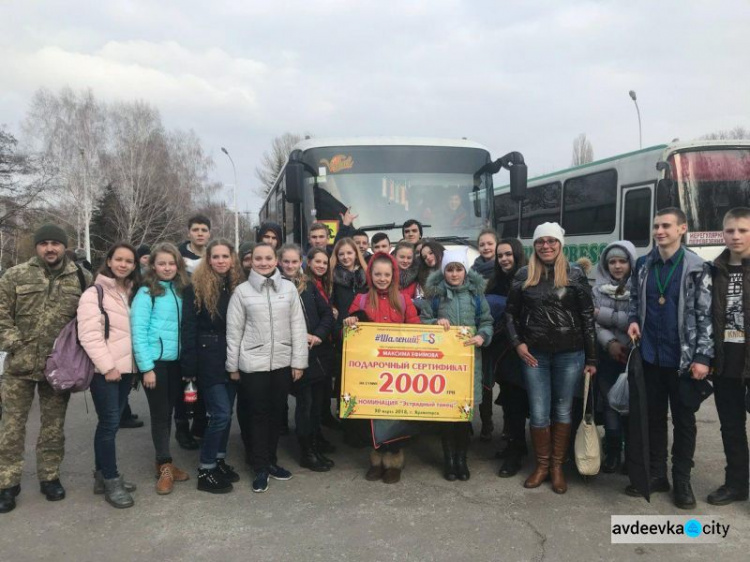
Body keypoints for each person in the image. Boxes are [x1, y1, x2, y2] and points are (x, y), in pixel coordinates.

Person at [0, 224, 91, 514]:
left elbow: (89, 320)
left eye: (55, 243)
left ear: (65, 246)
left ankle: (49, 477)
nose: (50, 248)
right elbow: (1, 315)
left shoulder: (81, 278)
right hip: (19, 367)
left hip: (58, 369)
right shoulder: (15, 275)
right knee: (11, 429)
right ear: (36, 246)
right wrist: (16, 343)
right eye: (44, 243)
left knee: (53, 428)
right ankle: (7, 483)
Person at [626, 207, 713, 509]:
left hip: (683, 361)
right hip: (650, 356)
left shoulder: (697, 267)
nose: (660, 231)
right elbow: (636, 301)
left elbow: (705, 316)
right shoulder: (643, 265)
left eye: (666, 226)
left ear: (681, 229)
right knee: (654, 418)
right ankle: (657, 475)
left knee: (684, 421)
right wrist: (634, 319)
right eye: (656, 226)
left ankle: (682, 481)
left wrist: (702, 356)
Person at [505, 222, 597, 494]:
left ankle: (557, 466)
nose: (546, 246)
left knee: (562, 409)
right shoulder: (523, 275)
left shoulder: (575, 274)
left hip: (570, 354)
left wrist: (592, 359)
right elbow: (510, 314)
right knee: (539, 411)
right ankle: (542, 465)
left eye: (552, 241)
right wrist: (517, 344)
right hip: (534, 354)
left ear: (560, 244)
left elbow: (587, 318)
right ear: (534, 245)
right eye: (540, 241)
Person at [226, 243, 308, 493]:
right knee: (257, 416)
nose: (263, 262)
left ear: (276, 261)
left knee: (275, 415)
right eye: (258, 258)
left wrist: (298, 361)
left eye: (268, 258)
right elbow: (234, 330)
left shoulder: (289, 289)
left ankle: (271, 461)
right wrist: (233, 365)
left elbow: (298, 326)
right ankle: (259, 466)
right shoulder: (241, 292)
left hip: (282, 362)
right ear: (252, 262)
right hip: (253, 364)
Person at [343, 252, 420, 483]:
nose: (382, 278)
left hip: (398, 370)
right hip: (370, 369)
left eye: (387, 274)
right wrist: (350, 322)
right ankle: (376, 461)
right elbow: (351, 334)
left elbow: (416, 330)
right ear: (371, 275)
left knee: (395, 415)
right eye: (377, 274)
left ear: (393, 275)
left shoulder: (405, 300)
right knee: (372, 416)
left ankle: (394, 462)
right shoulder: (362, 300)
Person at [421, 248, 493, 481]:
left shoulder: (475, 295)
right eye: (450, 269)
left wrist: (482, 336)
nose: (454, 274)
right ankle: (449, 460)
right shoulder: (435, 296)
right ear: (444, 272)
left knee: (463, 416)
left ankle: (462, 459)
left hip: (469, 365)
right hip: (442, 366)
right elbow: (422, 322)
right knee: (446, 415)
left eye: (458, 269)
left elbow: (487, 322)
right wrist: (435, 322)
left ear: (465, 271)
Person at [78, 242, 141, 508]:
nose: (124, 264)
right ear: (110, 261)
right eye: (119, 259)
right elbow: (89, 335)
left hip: (126, 371)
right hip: (106, 372)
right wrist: (108, 367)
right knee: (109, 423)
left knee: (110, 424)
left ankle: (102, 476)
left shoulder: (130, 291)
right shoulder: (95, 293)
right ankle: (111, 480)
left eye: (129, 261)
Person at [181, 239, 243, 494]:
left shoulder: (236, 285)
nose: (220, 261)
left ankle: (218, 459)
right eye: (215, 256)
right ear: (208, 260)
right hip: (208, 356)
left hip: (232, 355)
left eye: (225, 256)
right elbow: (189, 328)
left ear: (232, 259)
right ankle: (205, 469)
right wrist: (190, 366)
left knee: (227, 412)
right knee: (219, 413)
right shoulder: (194, 287)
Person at [131, 242, 191, 495]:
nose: (167, 268)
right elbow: (138, 331)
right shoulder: (146, 293)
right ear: (152, 265)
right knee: (160, 413)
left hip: (178, 362)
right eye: (162, 263)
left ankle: (162, 461)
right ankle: (165, 465)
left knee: (171, 413)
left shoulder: (182, 290)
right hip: (156, 363)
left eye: (171, 263)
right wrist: (147, 367)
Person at [279, 244, 336, 472]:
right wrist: (301, 336)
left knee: (315, 405)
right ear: (279, 262)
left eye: (295, 262)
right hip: (295, 354)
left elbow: (327, 314)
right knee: (305, 404)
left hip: (317, 353)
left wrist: (319, 335)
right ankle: (306, 452)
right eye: (287, 262)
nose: (291, 266)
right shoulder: (276, 288)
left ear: (300, 262)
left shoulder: (308, 285)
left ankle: (314, 444)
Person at [709, 207, 750, 506]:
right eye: (730, 231)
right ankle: (736, 484)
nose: (736, 236)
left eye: (743, 230)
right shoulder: (714, 270)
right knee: (731, 428)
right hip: (726, 363)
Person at [486, 238, 529, 477]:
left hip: (522, 349)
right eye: (500, 255)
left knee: (518, 399)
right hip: (501, 350)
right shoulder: (495, 282)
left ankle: (516, 452)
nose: (504, 259)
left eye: (508, 254)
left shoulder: (528, 279)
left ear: (518, 255)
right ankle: (515, 444)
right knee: (510, 399)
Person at [593, 241, 637, 474]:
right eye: (612, 262)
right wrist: (610, 343)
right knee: (610, 403)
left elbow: (636, 319)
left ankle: (632, 455)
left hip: (633, 354)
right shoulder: (597, 290)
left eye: (622, 261)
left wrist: (604, 314)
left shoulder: (639, 287)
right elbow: (593, 323)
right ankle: (612, 451)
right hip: (608, 354)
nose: (617, 266)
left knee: (632, 406)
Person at [176, 215, 212, 449]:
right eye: (196, 229)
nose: (200, 233)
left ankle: (199, 424)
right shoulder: (178, 259)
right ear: (189, 232)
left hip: (206, 325)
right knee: (184, 382)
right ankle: (181, 428)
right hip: (182, 321)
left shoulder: (212, 257)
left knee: (203, 381)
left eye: (204, 230)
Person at [329, 238, 369, 447]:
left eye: (349, 253)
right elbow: (331, 305)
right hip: (343, 333)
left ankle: (364, 429)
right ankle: (349, 430)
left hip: (366, 334)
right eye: (341, 254)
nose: (345, 257)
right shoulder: (333, 278)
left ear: (356, 254)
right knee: (347, 384)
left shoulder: (367, 277)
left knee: (365, 383)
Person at [472, 228, 499, 441]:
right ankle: (487, 422)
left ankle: (508, 430)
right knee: (484, 378)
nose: (486, 247)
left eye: (490, 243)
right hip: (482, 329)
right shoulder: (472, 271)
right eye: (482, 244)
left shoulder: (505, 267)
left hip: (504, 331)